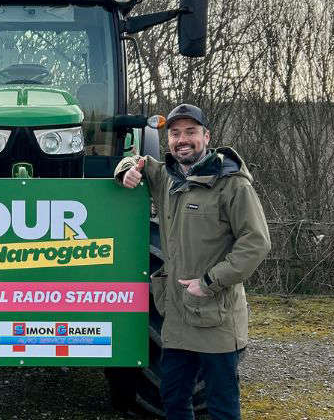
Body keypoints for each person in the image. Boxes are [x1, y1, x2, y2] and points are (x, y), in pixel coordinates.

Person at [115, 103, 270, 420]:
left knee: (222, 407)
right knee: (173, 400)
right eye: (175, 134)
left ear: (206, 137)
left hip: (216, 319)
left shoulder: (232, 184)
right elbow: (136, 160)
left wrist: (209, 282)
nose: (182, 140)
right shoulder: (167, 177)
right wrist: (126, 170)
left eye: (190, 132)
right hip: (176, 321)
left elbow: (256, 242)